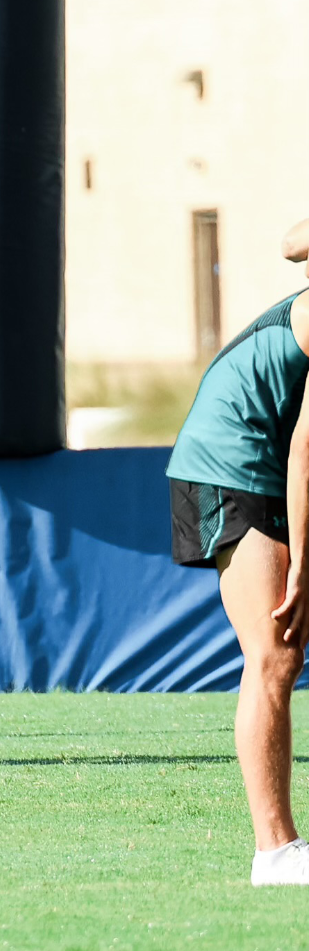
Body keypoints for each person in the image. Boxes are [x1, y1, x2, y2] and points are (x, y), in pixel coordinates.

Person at [167, 282, 309, 885]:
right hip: (232, 456)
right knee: (274, 654)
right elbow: (307, 453)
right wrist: (302, 561)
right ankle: (275, 854)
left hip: (273, 458)